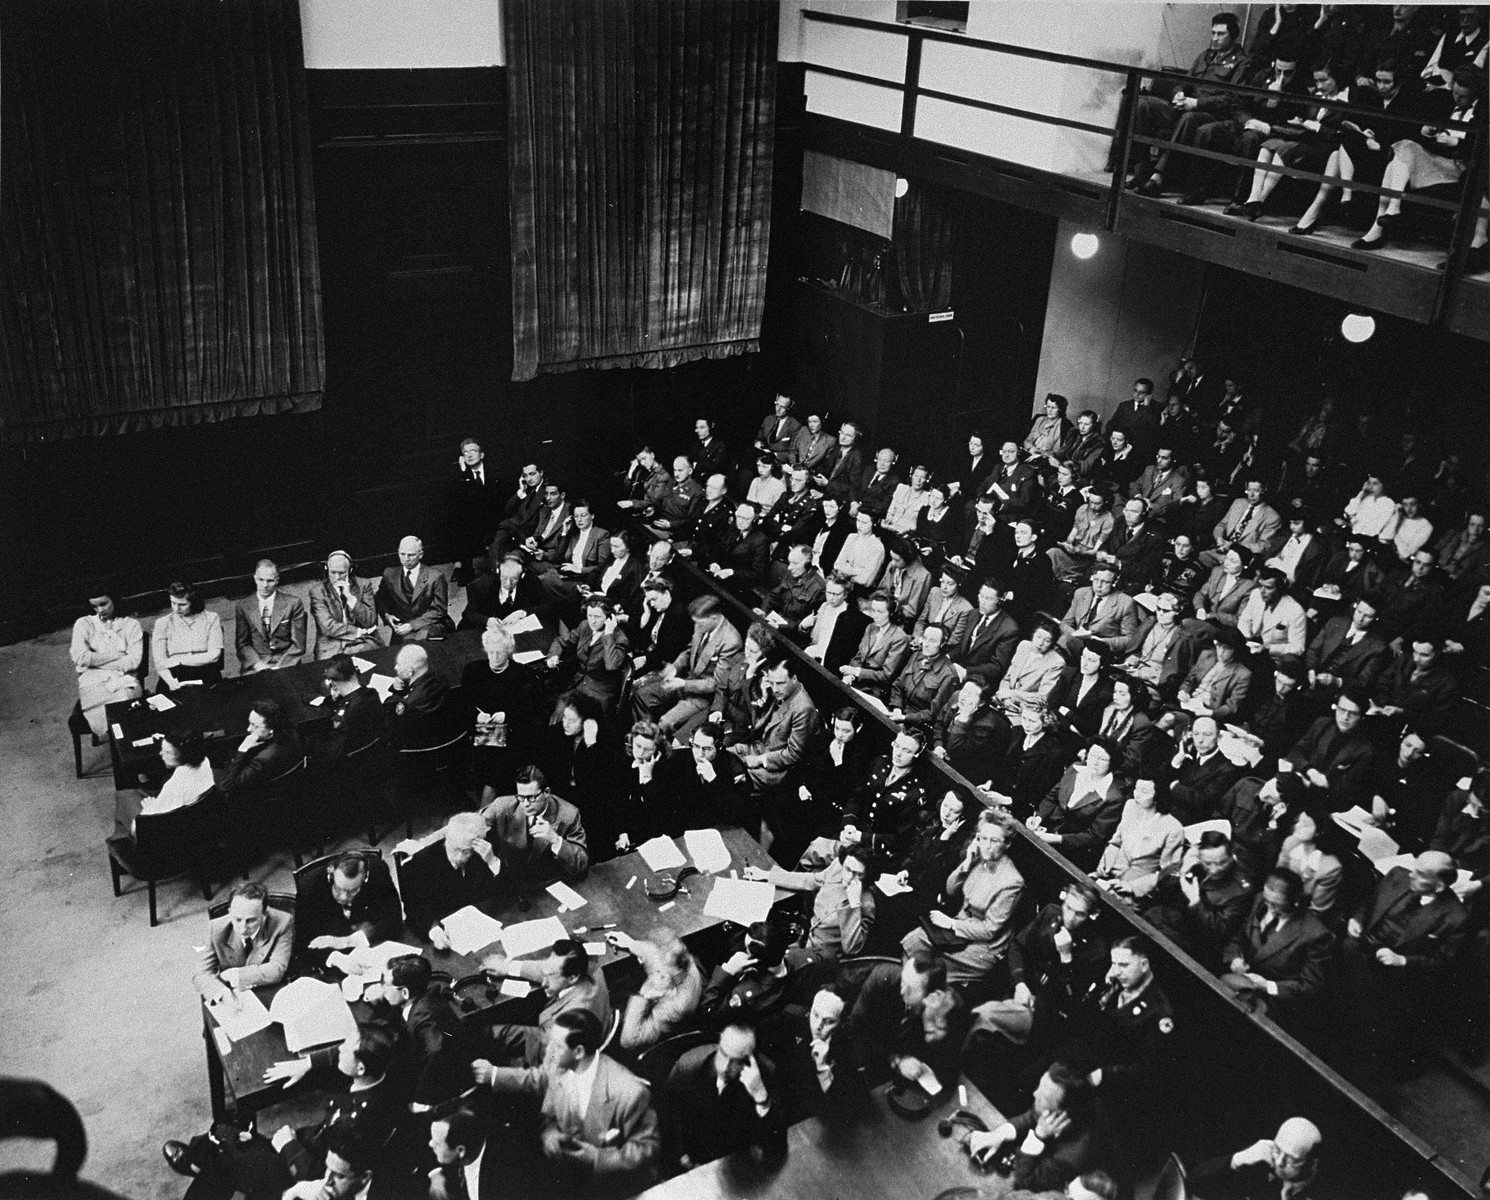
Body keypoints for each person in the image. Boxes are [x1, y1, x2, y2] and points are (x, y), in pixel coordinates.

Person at [474, 1009, 660, 1196]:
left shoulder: (630, 1092)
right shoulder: (558, 1065)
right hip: (568, 1172)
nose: (549, 1051)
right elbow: (548, 1113)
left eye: (556, 1046)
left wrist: (597, 1158)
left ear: (578, 1052)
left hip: (611, 1183)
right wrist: (549, 1132)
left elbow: (648, 1150)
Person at [1342, 851, 1470, 1082]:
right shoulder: (1396, 875)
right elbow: (1369, 902)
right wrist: (1357, 919)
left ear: (1439, 887)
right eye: (1414, 868)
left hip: (1395, 977)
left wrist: (1402, 961)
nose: (1410, 875)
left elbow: (1442, 962)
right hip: (1359, 952)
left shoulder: (1455, 917)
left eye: (1420, 875)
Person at [902, 809, 1025, 989]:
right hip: (957, 929)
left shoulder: (1012, 881)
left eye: (994, 840)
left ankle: (917, 1000)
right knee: (913, 940)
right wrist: (966, 863)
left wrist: (952, 924)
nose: (987, 846)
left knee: (931, 970)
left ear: (1006, 844)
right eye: (983, 838)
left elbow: (990, 930)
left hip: (984, 946)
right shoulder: (979, 859)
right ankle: (907, 994)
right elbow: (950, 890)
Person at [966, 1062, 1113, 1194]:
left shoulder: (1071, 1157)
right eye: (1039, 1087)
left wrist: (1038, 1136)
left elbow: (1024, 1183)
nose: (1034, 1093)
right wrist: (1000, 1134)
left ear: (1060, 1115)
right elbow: (1032, 1116)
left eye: (1043, 1097)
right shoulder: (1064, 1102)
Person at [663, 1018, 787, 1168]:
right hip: (696, 1160)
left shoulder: (766, 1075)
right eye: (723, 1053)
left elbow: (778, 1146)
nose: (725, 1066)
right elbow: (668, 1117)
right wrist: (682, 1157)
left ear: (750, 1060)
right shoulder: (689, 1069)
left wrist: (761, 1096)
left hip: (740, 1162)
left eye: (736, 1061)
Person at [1222, 868, 1336, 1026]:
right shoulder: (1260, 900)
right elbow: (1238, 937)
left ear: (1295, 900)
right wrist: (1234, 958)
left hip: (1274, 1004)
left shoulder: (1316, 934)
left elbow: (1312, 986)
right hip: (1240, 984)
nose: (1270, 909)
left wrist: (1267, 986)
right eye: (1267, 901)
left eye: (1277, 905)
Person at [630, 594, 743, 736]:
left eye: (700, 623)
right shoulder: (701, 625)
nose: (697, 627)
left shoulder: (731, 641)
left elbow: (716, 684)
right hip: (685, 680)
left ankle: (657, 747)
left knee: (666, 723)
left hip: (704, 697)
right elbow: (689, 651)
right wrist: (675, 667)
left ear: (714, 618)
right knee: (643, 696)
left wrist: (683, 684)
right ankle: (644, 737)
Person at [747, 839, 874, 965]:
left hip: (823, 955)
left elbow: (851, 948)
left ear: (867, 875)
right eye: (847, 869)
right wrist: (767, 875)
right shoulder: (838, 869)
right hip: (805, 935)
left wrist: (854, 905)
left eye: (858, 874)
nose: (849, 877)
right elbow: (810, 880)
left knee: (771, 961)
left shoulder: (867, 904)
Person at [1142, 831, 1256, 970]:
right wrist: (1182, 869)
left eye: (1222, 863)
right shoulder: (1194, 863)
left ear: (1232, 856)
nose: (1214, 870)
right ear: (1199, 856)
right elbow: (1161, 890)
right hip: (1164, 921)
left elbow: (1221, 930)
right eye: (1208, 863)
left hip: (1195, 943)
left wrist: (1195, 901)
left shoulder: (1241, 888)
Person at [399, 812, 502, 943]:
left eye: (467, 851)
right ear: (447, 839)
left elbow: (504, 891)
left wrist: (493, 862)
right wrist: (434, 930)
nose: (459, 857)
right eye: (455, 849)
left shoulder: (484, 852)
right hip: (442, 929)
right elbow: (414, 910)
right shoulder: (418, 864)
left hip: (479, 925)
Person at [292, 853, 402, 972]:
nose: (344, 897)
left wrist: (348, 941)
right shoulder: (309, 887)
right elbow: (303, 944)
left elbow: (394, 920)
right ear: (331, 873)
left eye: (353, 890)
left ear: (365, 877)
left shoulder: (378, 870)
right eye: (338, 889)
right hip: (332, 962)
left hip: (373, 949)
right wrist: (337, 959)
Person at [1029, 739, 1125, 873]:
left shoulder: (1113, 797)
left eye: (1102, 759)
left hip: (1072, 849)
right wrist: (1038, 817)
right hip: (1047, 830)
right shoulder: (1075, 769)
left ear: (1112, 763)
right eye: (1092, 755)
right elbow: (1052, 796)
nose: (1095, 762)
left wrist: (1056, 839)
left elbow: (1095, 836)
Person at [480, 764, 588, 883]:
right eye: (521, 797)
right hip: (510, 882)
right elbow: (472, 825)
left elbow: (581, 865)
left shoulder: (569, 815)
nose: (525, 804)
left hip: (548, 885)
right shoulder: (501, 805)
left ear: (546, 792)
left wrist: (555, 840)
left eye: (531, 798)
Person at [191, 881, 294, 999]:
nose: (243, 929)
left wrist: (237, 975)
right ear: (230, 913)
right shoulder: (214, 928)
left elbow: (277, 969)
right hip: (230, 990)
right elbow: (201, 973)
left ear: (264, 915)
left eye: (251, 921)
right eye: (237, 919)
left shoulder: (284, 921)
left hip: (265, 987)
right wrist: (220, 993)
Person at [1188, 1117, 1329, 1200]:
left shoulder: (1327, 1193)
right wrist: (1236, 1160)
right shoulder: (1262, 1160)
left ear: (1312, 1164)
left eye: (1292, 1160)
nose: (1279, 1162)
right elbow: (1192, 1184)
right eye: (1277, 1150)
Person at [611, 931, 704, 1053]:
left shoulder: (674, 1007)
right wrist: (630, 943)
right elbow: (656, 956)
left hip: (657, 1038)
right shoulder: (683, 964)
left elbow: (628, 1041)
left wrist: (643, 996)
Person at [115, 724, 215, 836]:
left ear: (185, 754)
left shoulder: (175, 785)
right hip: (196, 814)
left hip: (168, 830)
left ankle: (122, 843)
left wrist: (151, 807)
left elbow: (142, 826)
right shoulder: (204, 760)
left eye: (168, 752)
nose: (161, 754)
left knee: (123, 795)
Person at [1094, 778, 1184, 900]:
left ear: (1158, 795)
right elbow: (1116, 841)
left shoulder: (1173, 828)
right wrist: (1104, 864)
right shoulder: (1130, 806)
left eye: (1144, 791)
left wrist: (1132, 887)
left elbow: (1167, 873)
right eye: (1136, 788)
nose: (1137, 794)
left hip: (1135, 889)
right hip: (1109, 874)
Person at [737, 656, 818, 791]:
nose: (775, 689)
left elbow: (793, 754)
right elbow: (758, 725)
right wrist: (763, 697)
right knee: (719, 756)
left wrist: (760, 760)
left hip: (776, 769)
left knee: (730, 780)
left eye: (780, 683)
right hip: (757, 748)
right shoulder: (778, 692)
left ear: (794, 679)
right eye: (772, 683)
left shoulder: (803, 708)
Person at [70, 594, 142, 736]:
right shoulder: (84, 623)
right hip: (92, 681)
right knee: (99, 711)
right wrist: (116, 655)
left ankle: (124, 746)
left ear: (114, 600)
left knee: (123, 704)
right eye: (94, 606)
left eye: (103, 604)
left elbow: (132, 662)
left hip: (123, 678)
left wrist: (92, 663)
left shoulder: (131, 625)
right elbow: (80, 657)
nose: (99, 610)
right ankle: (112, 739)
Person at [547, 596, 630, 716]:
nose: (593, 621)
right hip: (578, 684)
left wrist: (609, 634)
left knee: (565, 716)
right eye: (590, 615)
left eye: (597, 617)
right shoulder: (585, 626)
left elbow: (611, 665)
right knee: (554, 710)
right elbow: (561, 641)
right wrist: (553, 655)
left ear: (609, 617)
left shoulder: (619, 638)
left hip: (599, 694)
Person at [234, 559, 307, 671]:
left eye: (270, 581)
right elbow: (242, 644)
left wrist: (281, 667)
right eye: (261, 580)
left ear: (277, 580)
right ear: (255, 579)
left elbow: (298, 644)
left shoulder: (293, 604)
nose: (265, 585)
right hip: (258, 662)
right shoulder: (243, 606)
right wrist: (258, 665)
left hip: (286, 661)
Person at [376, 536, 453, 642]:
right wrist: (387, 615)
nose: (406, 559)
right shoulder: (389, 574)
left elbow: (439, 610)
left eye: (411, 555)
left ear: (420, 554)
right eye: (402, 554)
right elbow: (380, 598)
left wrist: (412, 625)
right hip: (403, 626)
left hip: (431, 624)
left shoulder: (435, 577)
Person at [153, 581, 225, 691]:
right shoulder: (162, 623)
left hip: (206, 672)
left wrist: (178, 660)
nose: (176, 609)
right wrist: (172, 683)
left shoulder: (211, 618)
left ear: (194, 602)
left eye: (182, 604)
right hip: (173, 675)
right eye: (173, 603)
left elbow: (214, 655)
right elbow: (160, 662)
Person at [219, 699, 301, 796]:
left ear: (271, 730)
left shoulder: (263, 759)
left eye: (255, 725)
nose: (249, 729)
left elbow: (225, 786)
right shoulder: (292, 731)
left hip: (266, 793)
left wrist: (242, 751)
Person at [381, 644, 455, 752]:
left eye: (399, 665)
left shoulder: (408, 704)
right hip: (444, 737)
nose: (395, 668)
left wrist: (396, 694)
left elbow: (391, 712)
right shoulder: (441, 679)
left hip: (419, 749)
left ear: (410, 672)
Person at [309, 551, 380, 660]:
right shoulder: (317, 591)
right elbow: (327, 627)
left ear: (350, 570)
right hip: (332, 642)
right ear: (326, 569)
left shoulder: (364, 585)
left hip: (362, 641)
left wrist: (350, 597)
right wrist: (358, 631)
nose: (337, 577)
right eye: (333, 572)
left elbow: (370, 620)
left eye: (342, 573)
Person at [1057, 565, 1140, 657]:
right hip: (1075, 641)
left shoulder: (1125, 602)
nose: (1099, 585)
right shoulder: (1081, 593)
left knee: (1063, 642)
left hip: (1101, 649)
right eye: (1096, 580)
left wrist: (1099, 641)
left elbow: (1130, 639)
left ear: (1114, 582)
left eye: (1105, 582)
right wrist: (1074, 634)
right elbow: (1066, 623)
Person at [839, 594, 910, 700]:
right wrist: (850, 675)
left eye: (880, 612)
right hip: (858, 681)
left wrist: (856, 672)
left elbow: (886, 676)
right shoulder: (871, 627)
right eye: (873, 610)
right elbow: (859, 657)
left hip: (875, 690)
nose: (875, 615)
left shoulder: (900, 638)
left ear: (891, 614)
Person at [1176, 626, 1252, 724]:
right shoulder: (1206, 655)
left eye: (1226, 648)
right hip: (1188, 703)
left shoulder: (1242, 674)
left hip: (1209, 713)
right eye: (1219, 645)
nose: (1221, 651)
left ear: (1235, 650)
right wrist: (1183, 691)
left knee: (1170, 720)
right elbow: (1189, 680)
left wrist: (1210, 713)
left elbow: (1232, 706)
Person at [460, 550, 548, 630]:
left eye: (514, 579)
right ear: (498, 571)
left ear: (522, 575)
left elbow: (547, 607)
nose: (508, 583)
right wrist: (487, 620)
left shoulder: (532, 583)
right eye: (504, 577)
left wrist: (523, 613)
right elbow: (468, 614)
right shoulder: (483, 585)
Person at [801, 571, 870, 673]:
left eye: (836, 594)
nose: (831, 598)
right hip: (814, 651)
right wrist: (803, 626)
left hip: (832, 660)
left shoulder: (850, 616)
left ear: (845, 595)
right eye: (828, 592)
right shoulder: (821, 606)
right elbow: (808, 636)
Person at [1237, 566, 1308, 661]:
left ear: (1280, 589)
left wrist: (1268, 648)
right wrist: (1245, 637)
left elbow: (1298, 648)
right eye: (1260, 585)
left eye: (1268, 588)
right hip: (1250, 646)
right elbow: (1244, 620)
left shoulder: (1295, 611)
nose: (1262, 591)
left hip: (1272, 658)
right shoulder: (1256, 594)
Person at [996, 620, 1067, 710]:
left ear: (1052, 643)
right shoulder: (1024, 645)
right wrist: (1005, 698)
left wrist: (1010, 694)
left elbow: (1042, 698)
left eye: (1047, 641)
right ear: (1033, 635)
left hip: (1026, 709)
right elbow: (1008, 678)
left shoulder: (1057, 662)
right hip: (1002, 700)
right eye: (1038, 637)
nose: (1040, 643)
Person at [757, 542, 825, 629]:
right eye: (789, 562)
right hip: (775, 621)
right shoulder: (792, 574)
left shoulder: (819, 588)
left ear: (807, 564)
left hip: (789, 632)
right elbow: (773, 596)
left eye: (795, 563)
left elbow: (807, 623)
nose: (789, 567)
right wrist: (763, 611)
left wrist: (780, 627)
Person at [1193, 546, 1256, 627]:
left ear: (1244, 566)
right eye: (1226, 558)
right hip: (1202, 618)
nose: (1226, 563)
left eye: (1233, 561)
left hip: (1223, 626)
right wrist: (1200, 608)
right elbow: (1201, 594)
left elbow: (1239, 618)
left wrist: (1212, 616)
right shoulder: (1217, 571)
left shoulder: (1249, 586)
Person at [833, 508, 887, 591]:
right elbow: (837, 565)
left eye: (864, 522)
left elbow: (865, 581)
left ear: (873, 524)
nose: (859, 525)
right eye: (858, 521)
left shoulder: (877, 547)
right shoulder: (851, 537)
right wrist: (860, 571)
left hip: (861, 593)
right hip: (841, 586)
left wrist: (846, 569)